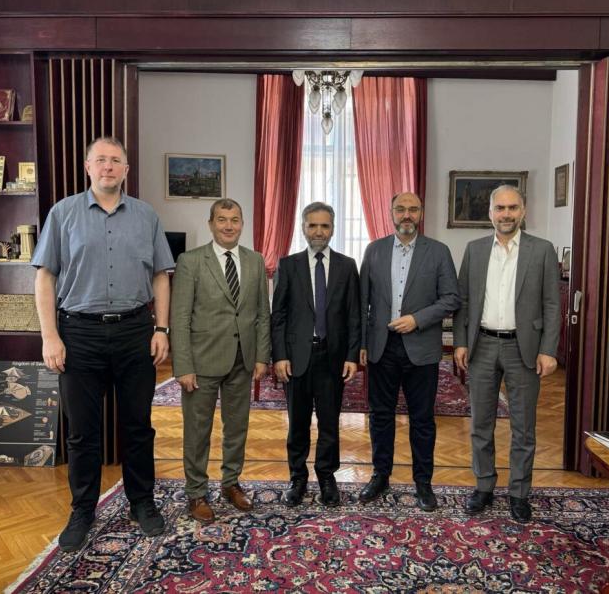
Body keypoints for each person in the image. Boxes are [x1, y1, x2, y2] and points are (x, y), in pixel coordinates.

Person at [33, 136, 173, 552]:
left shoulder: (146, 216)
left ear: (126, 170)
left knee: (138, 427)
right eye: (101, 160)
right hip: (79, 334)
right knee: (82, 433)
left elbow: (161, 275)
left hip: (134, 332)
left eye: (115, 161)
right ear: (88, 167)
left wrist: (161, 329)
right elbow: (45, 277)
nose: (108, 166)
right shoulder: (63, 213)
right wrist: (50, 336)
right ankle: (82, 510)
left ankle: (142, 502)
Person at [453, 184, 560, 523]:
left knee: (523, 427)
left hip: (523, 348)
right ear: (490, 213)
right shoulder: (474, 250)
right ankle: (484, 486)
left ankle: (519, 493)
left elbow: (552, 304)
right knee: (480, 424)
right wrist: (461, 342)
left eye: (513, 208)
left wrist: (548, 349)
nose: (506, 214)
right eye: (500, 208)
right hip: (482, 345)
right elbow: (463, 301)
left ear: (523, 211)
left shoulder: (542, 250)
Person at [170, 198, 271, 524]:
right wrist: (183, 366)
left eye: (235, 219)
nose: (229, 226)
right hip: (201, 362)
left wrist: (262, 356)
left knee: (237, 427)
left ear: (242, 223)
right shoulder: (190, 261)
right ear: (211, 224)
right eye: (222, 219)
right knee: (197, 430)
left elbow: (263, 314)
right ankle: (196, 492)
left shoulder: (255, 261)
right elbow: (179, 317)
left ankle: (231, 483)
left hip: (243, 360)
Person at [359, 192, 460, 512]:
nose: (406, 214)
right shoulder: (374, 250)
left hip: (422, 348)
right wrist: (361, 344)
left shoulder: (439, 252)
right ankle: (380, 475)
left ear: (421, 213)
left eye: (413, 209)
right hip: (382, 347)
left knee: (422, 419)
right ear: (390, 213)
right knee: (380, 416)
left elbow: (451, 298)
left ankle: (423, 483)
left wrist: (418, 319)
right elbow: (362, 302)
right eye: (400, 209)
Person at [271, 202, 361, 507]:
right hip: (296, 358)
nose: (319, 232)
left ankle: (326, 476)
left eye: (324, 226)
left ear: (333, 229)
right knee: (297, 424)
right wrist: (279, 356)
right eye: (313, 225)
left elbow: (354, 315)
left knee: (329, 423)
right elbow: (278, 315)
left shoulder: (347, 266)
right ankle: (297, 477)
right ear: (303, 228)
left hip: (332, 358)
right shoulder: (288, 265)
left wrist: (351, 355)